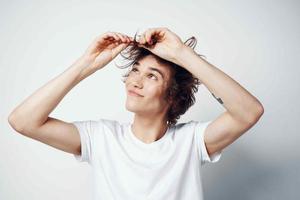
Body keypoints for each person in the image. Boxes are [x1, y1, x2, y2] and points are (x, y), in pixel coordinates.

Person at [8, 27, 264, 200]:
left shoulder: (191, 141)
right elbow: (22, 121)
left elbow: (249, 112)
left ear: (173, 96)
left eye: (152, 76)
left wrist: (183, 55)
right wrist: (86, 64)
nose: (135, 82)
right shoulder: (101, 137)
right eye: (135, 71)